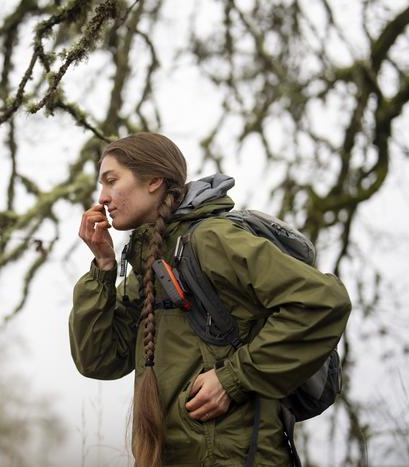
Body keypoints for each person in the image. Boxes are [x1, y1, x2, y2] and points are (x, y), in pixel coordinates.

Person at [69, 132, 351, 467]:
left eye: (111, 181)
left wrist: (232, 379)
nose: (102, 198)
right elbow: (99, 360)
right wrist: (103, 268)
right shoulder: (149, 265)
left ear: (154, 180)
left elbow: (323, 301)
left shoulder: (211, 239)